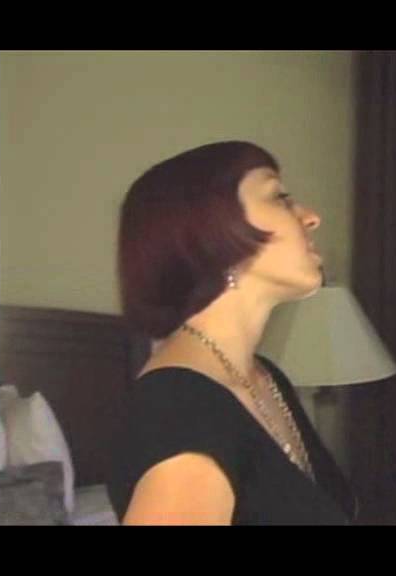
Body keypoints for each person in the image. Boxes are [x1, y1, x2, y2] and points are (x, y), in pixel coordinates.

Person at [108, 141, 356, 525]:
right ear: (212, 231)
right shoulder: (181, 409)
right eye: (279, 197)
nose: (311, 217)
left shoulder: (267, 379)